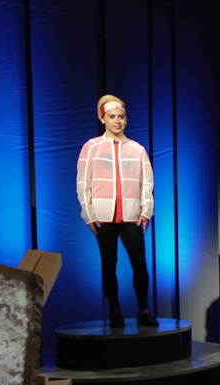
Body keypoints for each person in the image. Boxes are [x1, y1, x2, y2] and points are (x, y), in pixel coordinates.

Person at [76, 95, 158, 328]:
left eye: (121, 117)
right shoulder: (91, 147)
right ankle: (115, 310)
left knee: (139, 264)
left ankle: (143, 310)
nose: (117, 121)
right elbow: (83, 183)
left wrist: (146, 212)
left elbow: (147, 183)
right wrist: (88, 214)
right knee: (108, 263)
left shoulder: (137, 149)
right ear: (103, 119)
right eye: (112, 117)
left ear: (126, 119)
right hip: (103, 217)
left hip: (131, 217)